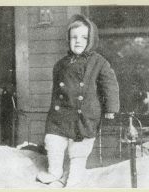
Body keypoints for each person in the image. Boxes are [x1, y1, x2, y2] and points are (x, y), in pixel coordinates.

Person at [36, 14, 120, 188]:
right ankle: (55, 171)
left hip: (84, 114)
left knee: (78, 150)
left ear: (91, 40)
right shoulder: (60, 64)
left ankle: (75, 177)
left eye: (84, 37)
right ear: (68, 39)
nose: (78, 41)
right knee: (53, 142)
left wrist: (111, 108)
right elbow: (56, 91)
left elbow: (110, 84)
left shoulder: (99, 62)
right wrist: (53, 110)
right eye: (74, 37)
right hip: (60, 114)